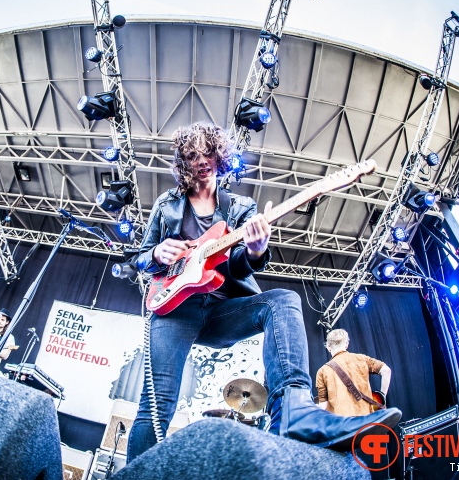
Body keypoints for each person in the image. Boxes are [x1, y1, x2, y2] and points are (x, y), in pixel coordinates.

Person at [127, 121, 401, 461]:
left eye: (208, 152)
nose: (201, 160)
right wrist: (154, 254)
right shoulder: (167, 204)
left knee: (284, 300)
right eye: (193, 154)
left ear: (220, 156)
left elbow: (238, 267)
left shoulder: (241, 208)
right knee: (156, 404)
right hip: (172, 310)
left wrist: (256, 250)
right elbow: (138, 257)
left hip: (221, 312)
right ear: (184, 161)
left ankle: (293, 409)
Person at [316, 328, 392, 416]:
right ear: (346, 344)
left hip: (344, 424)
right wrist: (382, 396)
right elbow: (386, 370)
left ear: (328, 347)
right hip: (367, 420)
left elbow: (323, 406)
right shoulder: (362, 359)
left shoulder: (322, 371)